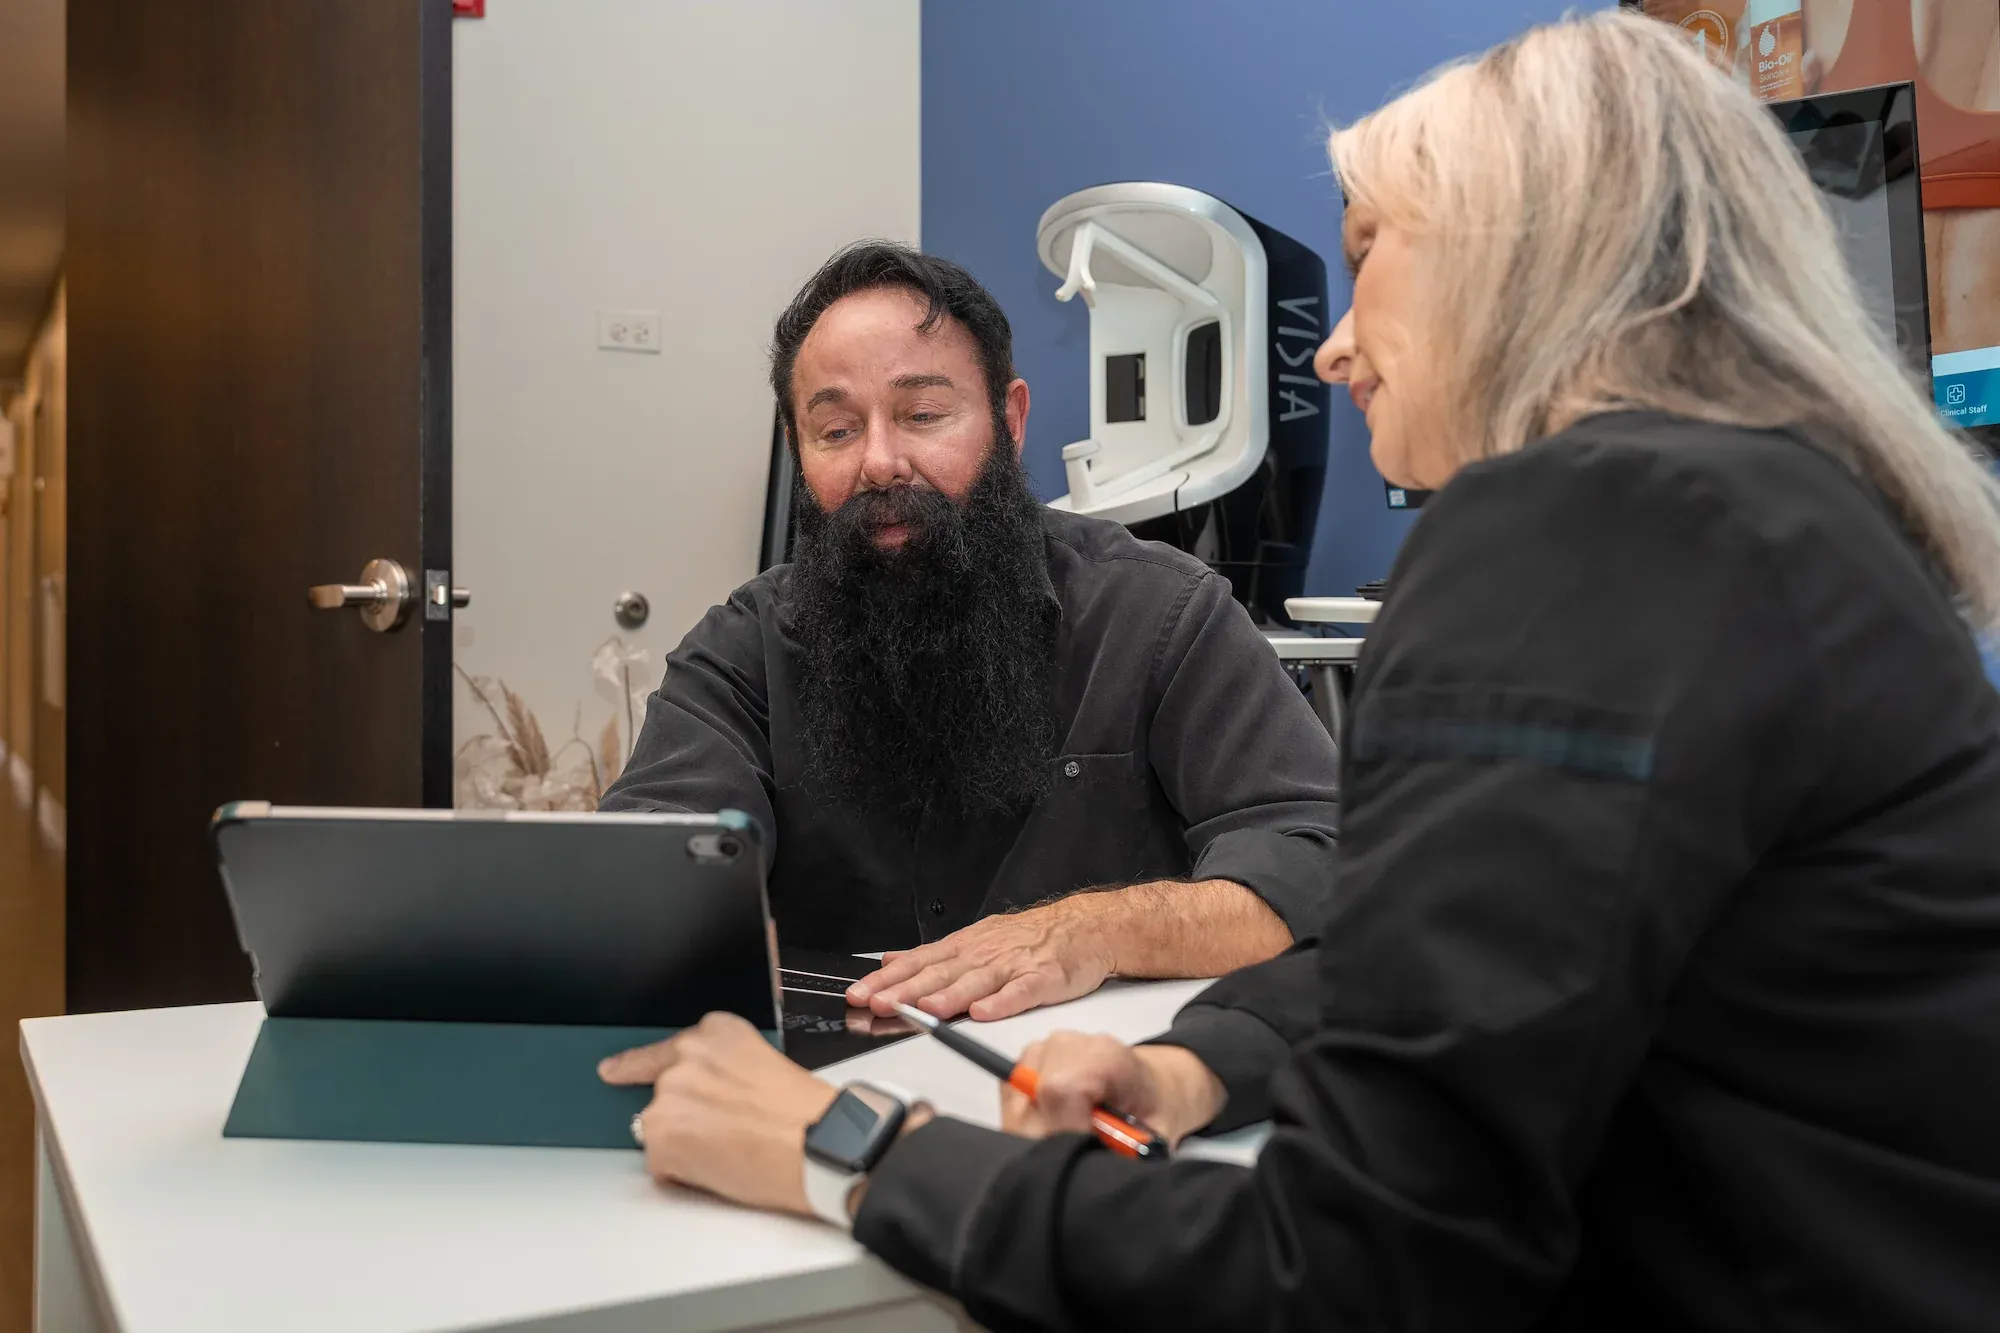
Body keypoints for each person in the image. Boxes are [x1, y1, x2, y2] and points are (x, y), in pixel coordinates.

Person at [601, 13, 2000, 1329]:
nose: (1332, 348)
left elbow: (1348, 1268)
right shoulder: (1761, 527)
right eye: (834, 427)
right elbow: (1486, 967)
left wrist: (847, 1152)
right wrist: (1190, 1062)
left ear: (1515, 259)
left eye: (1372, 247)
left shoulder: (1574, 541)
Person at [599, 242, 1340, 1023]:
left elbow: (1317, 858)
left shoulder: (1160, 617)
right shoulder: (741, 651)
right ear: (799, 448)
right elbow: (643, 873)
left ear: (1010, 421)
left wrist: (1091, 927)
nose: (881, 463)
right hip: (819, 1088)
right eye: (837, 430)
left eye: (923, 415)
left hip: (1087, 1084)